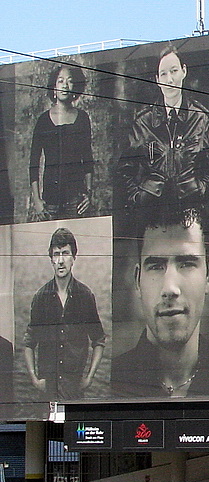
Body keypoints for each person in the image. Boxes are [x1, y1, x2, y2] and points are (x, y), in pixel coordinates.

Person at [111, 206, 209, 397]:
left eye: (187, 264)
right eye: (156, 266)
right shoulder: (114, 380)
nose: (170, 289)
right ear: (138, 280)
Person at [119, 45, 209, 208]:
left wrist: (199, 192)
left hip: (190, 210)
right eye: (163, 74)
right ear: (157, 80)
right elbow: (124, 170)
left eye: (174, 71)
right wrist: (139, 198)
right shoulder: (143, 121)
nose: (170, 80)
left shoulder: (200, 117)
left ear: (184, 71)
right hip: (152, 213)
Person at [24, 228, 105, 400]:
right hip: (47, 390)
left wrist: (89, 378)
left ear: (74, 257)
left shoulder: (85, 295)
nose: (61, 261)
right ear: (51, 259)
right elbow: (29, 344)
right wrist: (35, 379)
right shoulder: (40, 297)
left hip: (74, 388)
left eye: (65, 253)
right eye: (56, 254)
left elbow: (99, 340)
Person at [28, 64, 94, 221]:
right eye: (60, 81)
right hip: (49, 201)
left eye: (69, 81)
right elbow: (33, 164)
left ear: (75, 87)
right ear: (54, 87)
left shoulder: (83, 118)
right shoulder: (43, 121)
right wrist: (37, 200)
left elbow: (88, 160)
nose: (65, 85)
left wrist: (89, 194)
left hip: (76, 200)